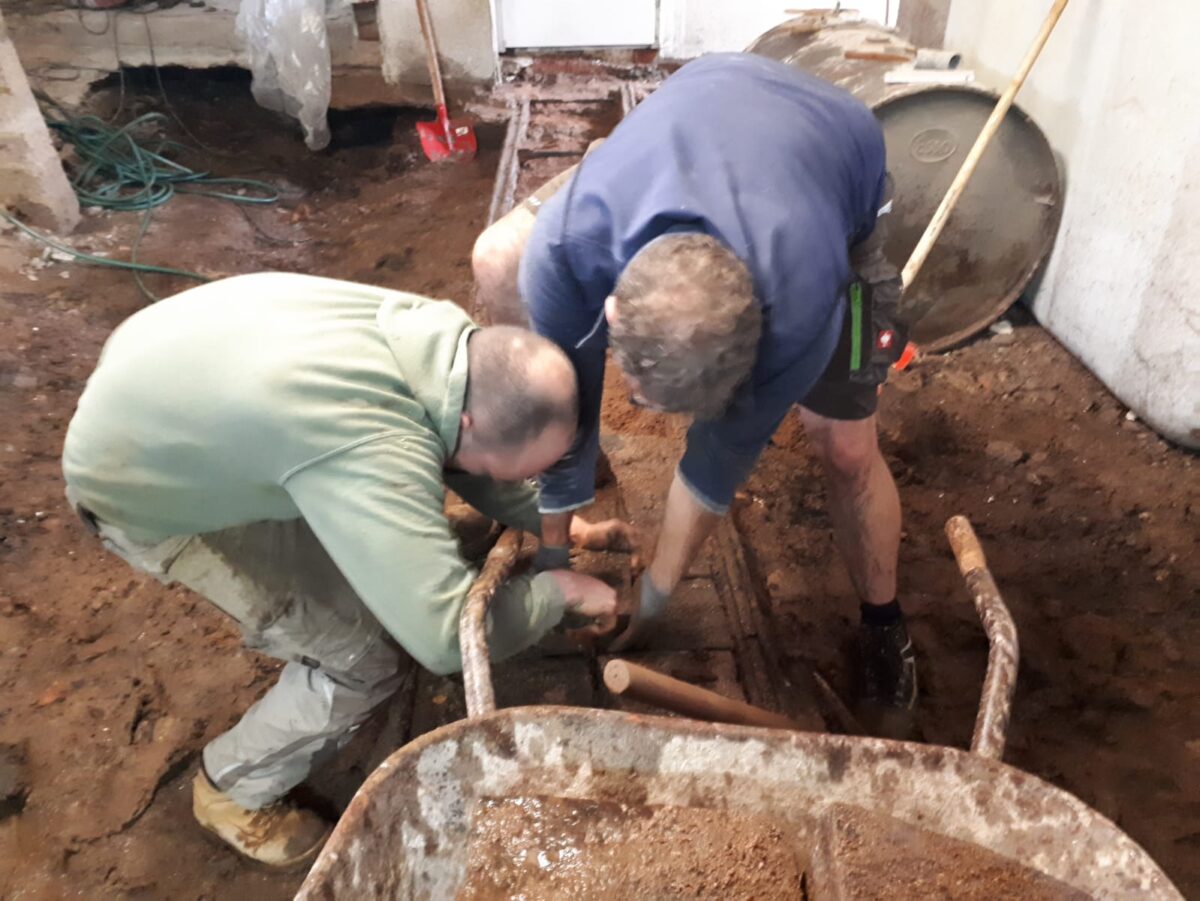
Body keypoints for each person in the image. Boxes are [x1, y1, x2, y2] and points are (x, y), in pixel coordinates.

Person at [62, 273, 621, 867]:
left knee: (412, 541)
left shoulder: (437, 338)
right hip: (141, 485)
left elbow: (467, 452)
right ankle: (231, 789)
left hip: (167, 384)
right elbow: (444, 641)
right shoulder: (370, 441)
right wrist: (555, 593)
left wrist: (555, 525)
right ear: (470, 426)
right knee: (365, 659)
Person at [471, 52, 916, 728]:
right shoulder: (566, 249)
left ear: (755, 342)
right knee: (499, 257)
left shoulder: (800, 305)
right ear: (611, 311)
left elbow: (715, 465)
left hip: (832, 148)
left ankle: (885, 624)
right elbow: (567, 400)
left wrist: (655, 600)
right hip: (687, 120)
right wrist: (554, 559)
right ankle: (566, 496)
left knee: (847, 447)